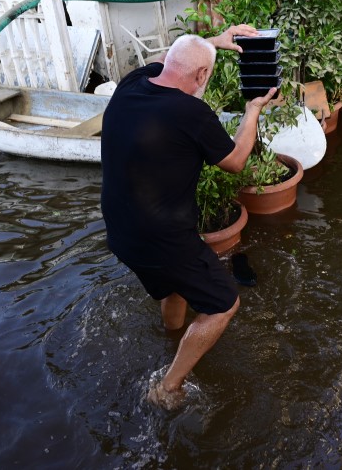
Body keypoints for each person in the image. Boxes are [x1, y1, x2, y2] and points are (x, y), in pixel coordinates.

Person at [100, 25, 276, 409]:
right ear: (201, 76)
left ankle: (171, 336)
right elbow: (236, 161)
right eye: (205, 75)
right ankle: (167, 388)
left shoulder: (131, 84)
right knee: (222, 304)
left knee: (173, 287)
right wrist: (253, 110)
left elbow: (163, 60)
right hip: (162, 238)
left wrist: (211, 42)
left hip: (120, 230)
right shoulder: (190, 112)